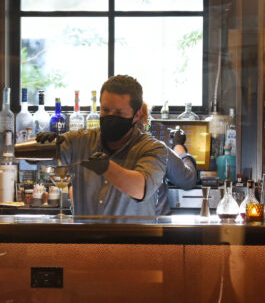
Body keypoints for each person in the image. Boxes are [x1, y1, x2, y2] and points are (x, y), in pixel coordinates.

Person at [34, 75, 168, 216]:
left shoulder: (153, 148)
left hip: (132, 238)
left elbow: (141, 188)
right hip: (87, 237)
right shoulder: (81, 141)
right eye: (105, 110)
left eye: (118, 113)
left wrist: (107, 167)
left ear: (136, 115)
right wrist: (41, 146)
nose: (110, 116)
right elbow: (34, 159)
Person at [136, 103, 199, 215]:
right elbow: (188, 180)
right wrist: (178, 145)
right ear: (145, 120)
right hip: (156, 227)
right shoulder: (156, 149)